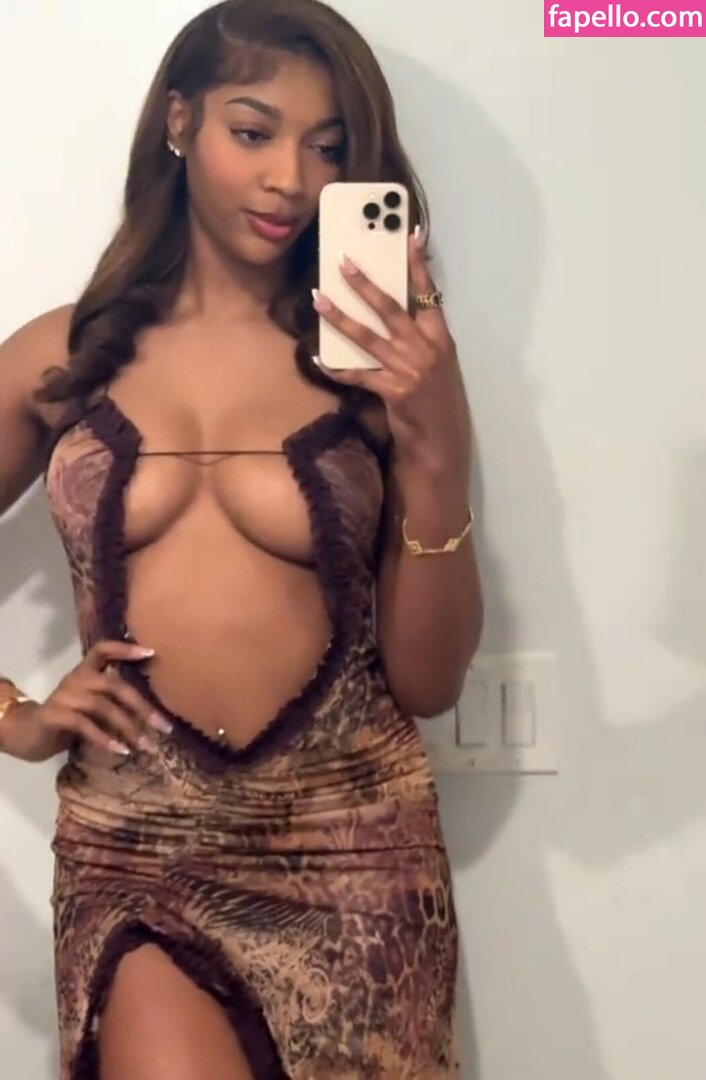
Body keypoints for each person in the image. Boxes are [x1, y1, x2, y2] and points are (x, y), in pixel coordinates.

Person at [0, 0, 483, 1076]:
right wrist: (14, 717)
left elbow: (430, 680)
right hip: (136, 842)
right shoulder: (58, 354)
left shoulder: (386, 369)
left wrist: (437, 445)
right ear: (179, 121)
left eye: (328, 148)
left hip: (354, 842)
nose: (289, 182)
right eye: (253, 131)